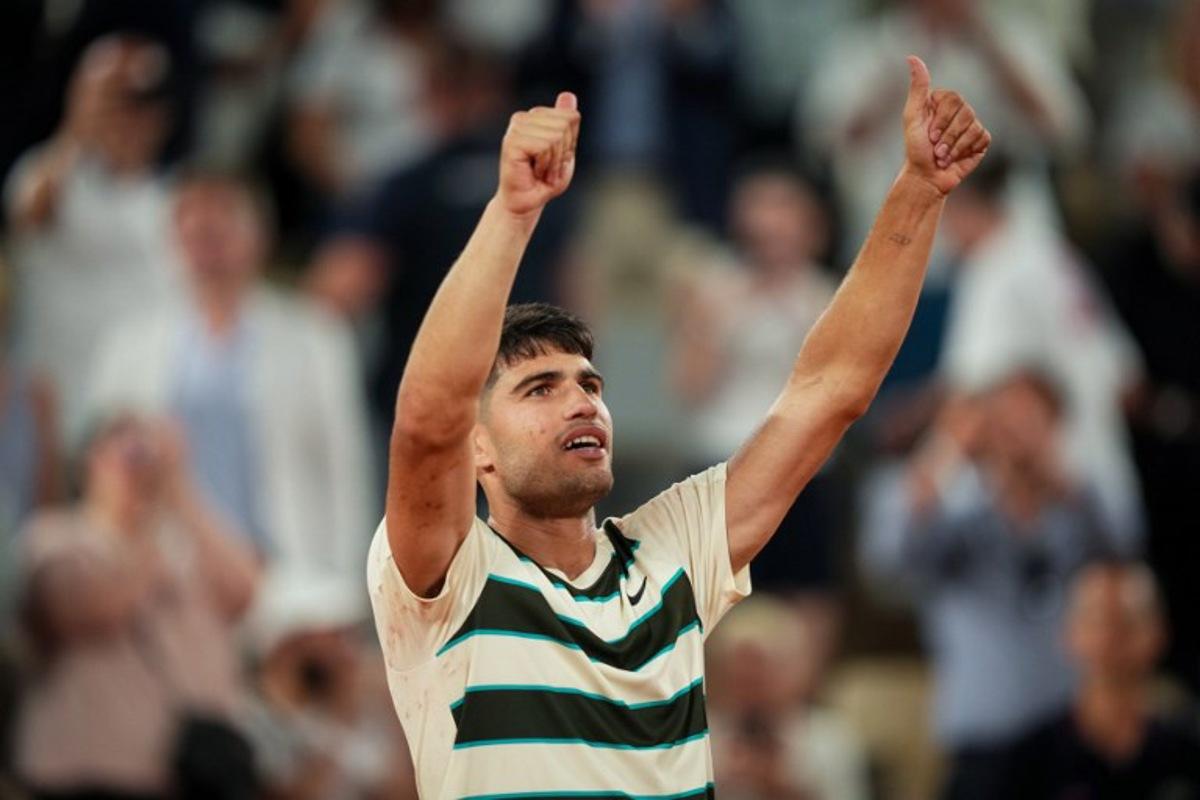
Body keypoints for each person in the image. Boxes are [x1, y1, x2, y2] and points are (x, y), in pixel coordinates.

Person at [366, 57, 990, 798]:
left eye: (590, 385)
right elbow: (428, 420)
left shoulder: (666, 557)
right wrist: (512, 212)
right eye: (540, 389)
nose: (582, 402)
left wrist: (918, 191)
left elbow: (830, 391)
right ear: (480, 452)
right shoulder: (448, 576)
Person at [84, 172, 373, 579]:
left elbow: (344, 467)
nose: (206, 245)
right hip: (166, 571)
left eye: (220, 229)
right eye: (193, 231)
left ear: (258, 236)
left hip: (286, 567)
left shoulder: (315, 336)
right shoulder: (128, 344)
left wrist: (345, 584)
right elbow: (102, 471)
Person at [862, 371, 1122, 800]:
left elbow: (1123, 555)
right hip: (983, 731)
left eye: (1031, 419)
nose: (1015, 432)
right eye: (1001, 418)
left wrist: (1058, 477)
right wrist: (945, 448)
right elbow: (889, 560)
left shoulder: (1080, 501)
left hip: (1073, 728)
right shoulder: (952, 505)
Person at [13, 413, 259, 799]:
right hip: (85, 780)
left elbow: (245, 591)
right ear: (88, 462)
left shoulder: (183, 547)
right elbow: (91, 607)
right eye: (127, 452)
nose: (142, 468)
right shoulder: (53, 538)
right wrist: (150, 523)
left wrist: (181, 488)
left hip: (192, 776)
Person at [3, 34, 183, 438]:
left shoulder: (176, 201)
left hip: (134, 425)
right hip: (48, 420)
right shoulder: (48, 177)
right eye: (115, 103)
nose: (129, 118)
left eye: (141, 105)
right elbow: (30, 212)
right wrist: (82, 120)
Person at [1006, 561, 1200, 798]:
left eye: (1128, 621)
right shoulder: (1031, 760)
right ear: (1069, 633)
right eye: (1097, 620)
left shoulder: (1187, 749)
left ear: (1158, 633)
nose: (1111, 637)